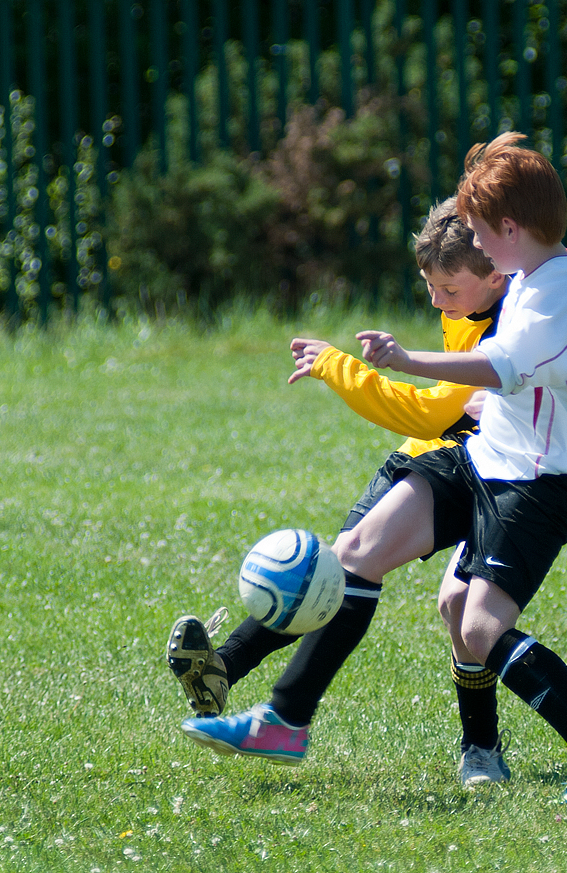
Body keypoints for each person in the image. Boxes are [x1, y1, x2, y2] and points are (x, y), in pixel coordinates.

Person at [179, 132, 567, 802]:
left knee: (476, 625)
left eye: (481, 230)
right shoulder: (541, 273)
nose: (476, 242)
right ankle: (284, 720)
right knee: (357, 550)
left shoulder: (559, 291)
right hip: (483, 457)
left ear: (512, 229)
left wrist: (404, 360)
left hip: (537, 483)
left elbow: (500, 365)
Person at [167, 197, 514, 786]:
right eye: (430, 287)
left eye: (448, 289)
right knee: (341, 568)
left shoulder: (507, 324)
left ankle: (479, 746)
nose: (437, 302)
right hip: (426, 455)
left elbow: (427, 410)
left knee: (437, 600)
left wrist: (338, 366)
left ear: (496, 274)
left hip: (479, 469)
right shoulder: (472, 298)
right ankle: (227, 667)